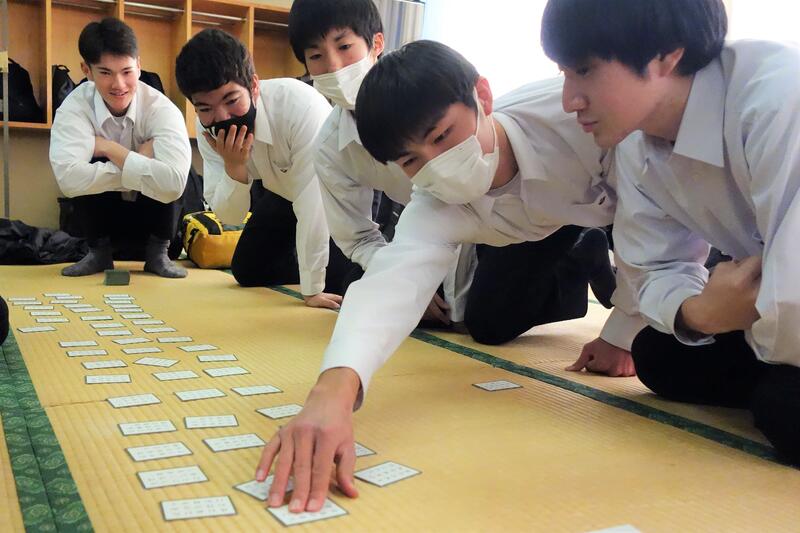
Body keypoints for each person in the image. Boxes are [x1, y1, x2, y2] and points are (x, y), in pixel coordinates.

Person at [255, 40, 644, 512]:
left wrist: (622, 329)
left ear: (483, 96)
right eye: (411, 160)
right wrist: (330, 394)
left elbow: (659, 224)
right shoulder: (436, 201)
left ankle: (592, 244)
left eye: (442, 136)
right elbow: (391, 286)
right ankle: (580, 247)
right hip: (538, 231)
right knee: (489, 324)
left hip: (627, 209)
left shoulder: (581, 120)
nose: (436, 163)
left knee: (663, 349)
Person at [541, 0, 800, 465]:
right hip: (770, 309)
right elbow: (652, 268)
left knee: (784, 410)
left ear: (666, 54)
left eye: (584, 70)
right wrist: (701, 313)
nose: (569, 100)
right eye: (564, 74)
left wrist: (746, 315)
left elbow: (792, 296)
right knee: (659, 356)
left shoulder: (779, 97)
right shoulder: (637, 141)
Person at [289, 0, 476, 326]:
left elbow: (469, 193)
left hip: (488, 220)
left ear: (376, 43)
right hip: (425, 230)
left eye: (344, 47)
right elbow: (357, 237)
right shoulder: (330, 145)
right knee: (357, 288)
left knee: (487, 320)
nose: (334, 66)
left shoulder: (425, 93)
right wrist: (406, 282)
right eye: (316, 56)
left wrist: (443, 295)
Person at [176, 29, 351, 308]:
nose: (222, 117)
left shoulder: (300, 106)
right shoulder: (207, 129)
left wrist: (312, 289)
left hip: (335, 193)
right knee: (248, 270)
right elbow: (230, 215)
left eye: (231, 100)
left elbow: (313, 203)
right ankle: (304, 262)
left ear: (254, 86)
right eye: (205, 108)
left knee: (339, 284)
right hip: (282, 192)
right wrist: (234, 167)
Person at [50, 17, 191, 278]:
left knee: (171, 165)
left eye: (127, 71)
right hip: (101, 226)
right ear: (86, 70)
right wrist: (137, 163)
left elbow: (174, 183)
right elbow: (68, 179)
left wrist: (112, 151)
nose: (119, 85)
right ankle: (99, 255)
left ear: (139, 65)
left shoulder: (162, 109)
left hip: (156, 226)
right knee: (90, 166)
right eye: (105, 73)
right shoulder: (74, 108)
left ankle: (158, 255)